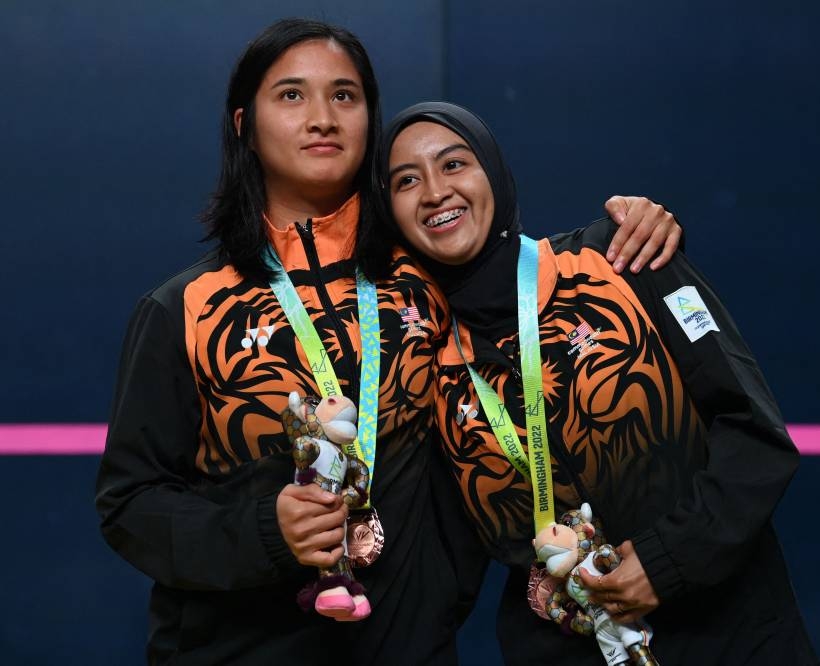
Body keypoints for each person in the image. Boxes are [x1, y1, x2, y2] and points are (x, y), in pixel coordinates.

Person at [94, 18, 682, 666]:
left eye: (344, 96)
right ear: (244, 126)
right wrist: (267, 531)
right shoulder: (185, 308)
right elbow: (130, 505)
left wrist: (624, 223)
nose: (323, 117)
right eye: (292, 95)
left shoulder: (427, 277)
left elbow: (525, 266)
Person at [376, 101, 820, 665]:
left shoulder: (622, 254)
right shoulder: (425, 365)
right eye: (406, 181)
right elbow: (441, 569)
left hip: (735, 636)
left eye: (455, 164)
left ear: (493, 171)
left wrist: (666, 561)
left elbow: (754, 435)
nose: (436, 191)